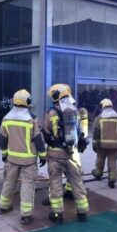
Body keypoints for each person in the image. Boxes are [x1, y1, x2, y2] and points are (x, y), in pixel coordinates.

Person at [0, 89, 46, 225]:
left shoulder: (6, 119)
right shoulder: (31, 120)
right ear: (28, 102)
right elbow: (38, 140)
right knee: (27, 185)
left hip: (12, 159)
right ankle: (25, 215)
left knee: (9, 182)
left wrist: (4, 154)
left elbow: (2, 140)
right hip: (29, 160)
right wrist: (43, 156)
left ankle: (3, 206)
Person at [42, 83, 89, 223]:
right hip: (71, 153)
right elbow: (80, 131)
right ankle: (82, 212)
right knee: (77, 181)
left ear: (55, 96)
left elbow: (46, 132)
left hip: (55, 155)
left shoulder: (51, 113)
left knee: (55, 182)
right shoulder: (75, 110)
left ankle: (57, 213)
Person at [92, 98, 117, 188]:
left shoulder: (99, 118)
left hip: (102, 146)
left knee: (100, 160)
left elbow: (95, 133)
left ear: (102, 106)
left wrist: (94, 144)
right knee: (112, 162)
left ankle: (98, 174)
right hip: (115, 146)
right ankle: (112, 180)